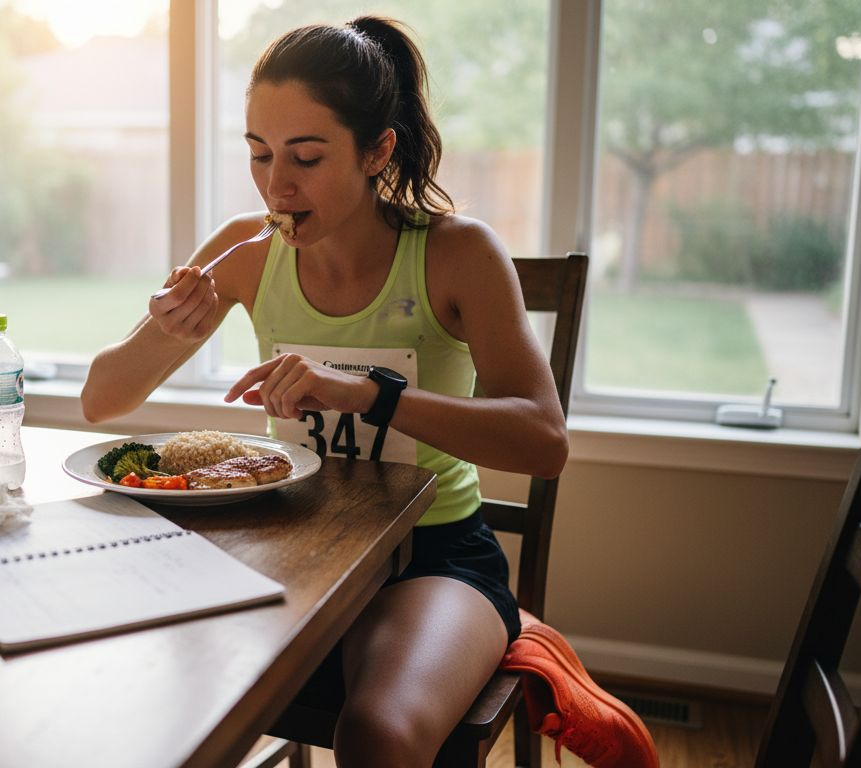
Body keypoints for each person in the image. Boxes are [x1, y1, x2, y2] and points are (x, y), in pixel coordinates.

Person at [82, 16, 654, 768]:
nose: (276, 184)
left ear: (377, 149)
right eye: (259, 154)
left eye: (306, 157)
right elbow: (101, 402)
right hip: (288, 546)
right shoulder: (243, 251)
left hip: (434, 557)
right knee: (132, 689)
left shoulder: (459, 253)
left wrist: (369, 395)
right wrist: (171, 331)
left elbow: (544, 443)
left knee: (378, 734)